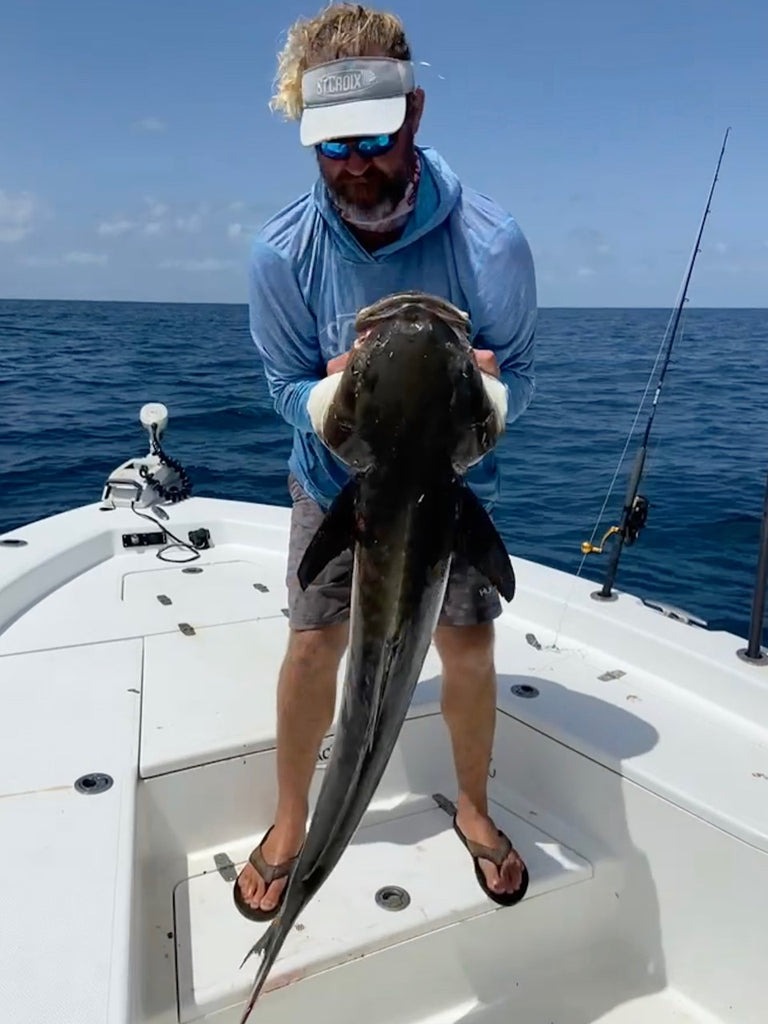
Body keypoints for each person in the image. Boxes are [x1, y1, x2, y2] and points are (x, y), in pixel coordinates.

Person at [236, 2, 537, 921]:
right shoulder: (282, 255)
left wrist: (492, 398)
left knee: (471, 646)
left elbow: (517, 369)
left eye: (372, 136)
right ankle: (297, 822)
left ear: (411, 113)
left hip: (449, 497)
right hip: (335, 488)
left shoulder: (491, 245)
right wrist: (324, 403)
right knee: (312, 643)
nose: (355, 163)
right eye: (332, 145)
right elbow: (282, 379)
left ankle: (475, 810)